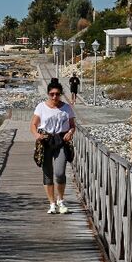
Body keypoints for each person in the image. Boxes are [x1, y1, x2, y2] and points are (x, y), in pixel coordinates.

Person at [30, 79, 77, 214]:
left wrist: (70, 132)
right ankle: (52, 203)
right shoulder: (41, 107)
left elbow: (73, 125)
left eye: (57, 94)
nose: (54, 97)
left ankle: (60, 201)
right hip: (45, 141)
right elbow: (33, 125)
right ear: (48, 94)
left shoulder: (66, 108)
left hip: (61, 140)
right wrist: (37, 135)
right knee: (47, 173)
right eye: (52, 94)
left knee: (59, 173)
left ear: (60, 94)